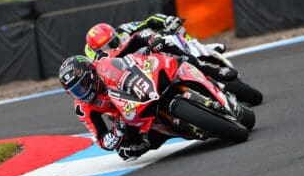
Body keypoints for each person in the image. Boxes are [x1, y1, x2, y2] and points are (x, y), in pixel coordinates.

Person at [59, 55, 171, 161]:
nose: (82, 92)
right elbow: (102, 141)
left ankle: (184, 60)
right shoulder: (82, 108)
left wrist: (145, 39)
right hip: (127, 115)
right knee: (125, 151)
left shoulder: (104, 61)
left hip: (141, 85)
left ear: (90, 74)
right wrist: (116, 131)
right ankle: (164, 134)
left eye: (83, 84)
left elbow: (128, 47)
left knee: (160, 48)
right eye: (76, 91)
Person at [84, 13, 237, 82]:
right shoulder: (96, 58)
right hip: (138, 72)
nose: (110, 47)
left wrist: (166, 21)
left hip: (153, 52)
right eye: (105, 47)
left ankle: (202, 50)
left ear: (114, 35)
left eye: (111, 42)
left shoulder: (123, 30)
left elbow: (149, 21)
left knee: (173, 36)